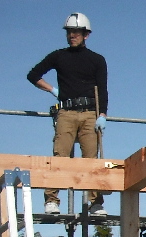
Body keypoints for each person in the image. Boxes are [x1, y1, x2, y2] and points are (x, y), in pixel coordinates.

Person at [27, 13, 109, 216]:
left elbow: (103, 89)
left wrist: (103, 115)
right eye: (69, 32)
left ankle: (95, 202)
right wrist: (52, 90)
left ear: (86, 35)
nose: (72, 36)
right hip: (66, 112)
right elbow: (33, 75)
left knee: (91, 159)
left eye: (76, 32)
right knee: (60, 156)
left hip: (90, 113)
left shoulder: (97, 60)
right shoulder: (58, 56)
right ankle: (51, 201)